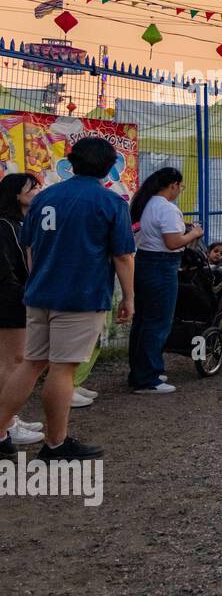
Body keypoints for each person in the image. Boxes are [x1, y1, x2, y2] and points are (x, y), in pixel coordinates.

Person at [0, 138, 134, 461]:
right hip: (81, 296)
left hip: (39, 294)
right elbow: (123, 256)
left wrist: (39, 280)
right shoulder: (110, 203)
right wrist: (129, 297)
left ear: (71, 162)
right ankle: (57, 444)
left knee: (31, 363)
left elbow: (30, 248)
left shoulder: (45, 198)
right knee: (62, 370)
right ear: (107, 166)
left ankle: (0, 432)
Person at [127, 167, 203, 395]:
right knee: (158, 322)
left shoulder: (144, 204)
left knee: (143, 321)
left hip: (143, 262)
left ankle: (141, 371)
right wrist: (194, 233)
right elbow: (173, 242)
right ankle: (148, 378)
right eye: (180, 186)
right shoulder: (167, 209)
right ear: (173, 185)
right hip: (162, 265)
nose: (180, 190)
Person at [0, 173, 44, 447]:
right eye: (32, 187)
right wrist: (21, 293)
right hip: (9, 301)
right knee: (12, 362)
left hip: (19, 297)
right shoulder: (5, 226)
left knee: (16, 360)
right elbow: (5, 270)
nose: (37, 191)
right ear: (16, 193)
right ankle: (7, 424)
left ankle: (10, 417)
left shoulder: (20, 223)